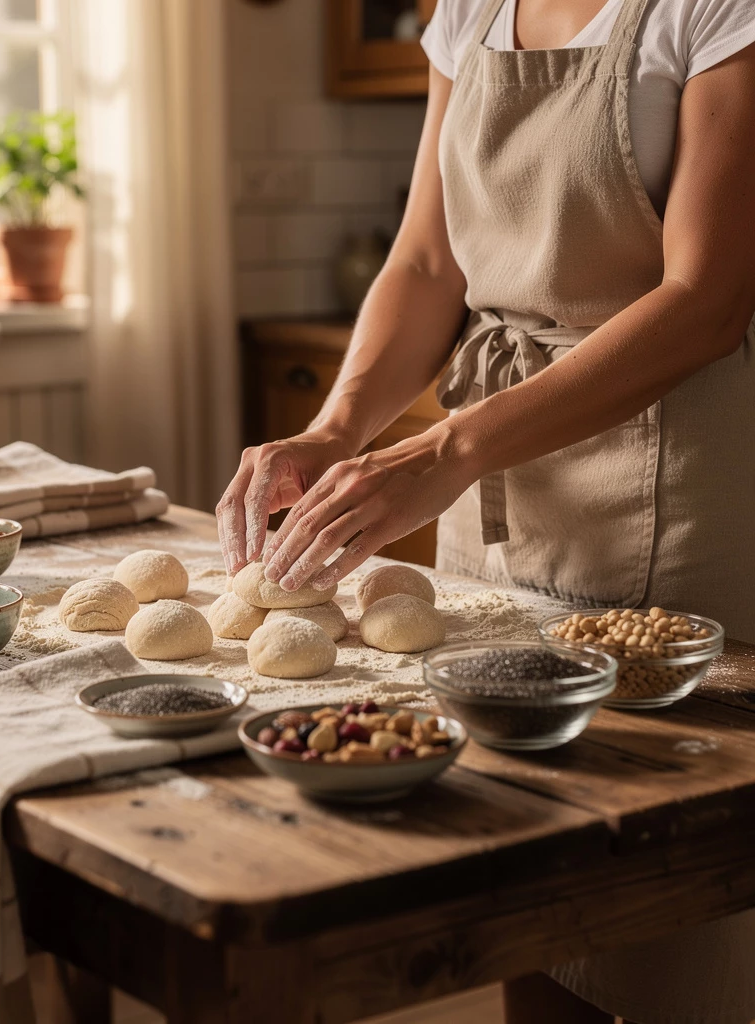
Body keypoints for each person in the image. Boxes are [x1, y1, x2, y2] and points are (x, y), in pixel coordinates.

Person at [215, 0, 755, 1020]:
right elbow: (427, 264)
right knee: (514, 869)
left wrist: (446, 446)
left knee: (670, 911)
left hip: (665, 490)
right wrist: (335, 429)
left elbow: (707, 296)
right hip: (494, 498)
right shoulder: (469, 9)